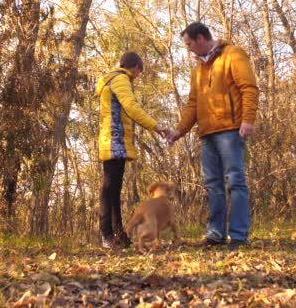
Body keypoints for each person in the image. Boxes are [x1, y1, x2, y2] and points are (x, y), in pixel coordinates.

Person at [166, 22, 259, 250]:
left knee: (235, 181)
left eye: (189, 44)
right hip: (207, 134)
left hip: (230, 130)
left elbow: (248, 87)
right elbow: (193, 105)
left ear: (200, 39)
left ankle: (238, 235)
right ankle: (216, 234)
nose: (188, 49)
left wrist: (248, 119)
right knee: (212, 185)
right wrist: (179, 131)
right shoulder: (198, 70)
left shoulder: (232, 54)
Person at [96, 51, 167, 249]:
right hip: (114, 139)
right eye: (139, 72)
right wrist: (156, 126)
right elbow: (131, 107)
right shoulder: (120, 79)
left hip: (113, 139)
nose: (138, 76)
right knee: (110, 189)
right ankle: (108, 235)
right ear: (135, 67)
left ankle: (118, 235)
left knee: (114, 189)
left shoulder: (113, 80)